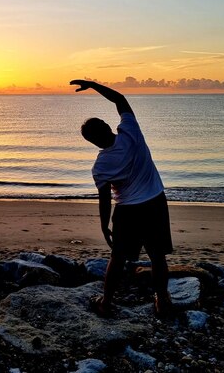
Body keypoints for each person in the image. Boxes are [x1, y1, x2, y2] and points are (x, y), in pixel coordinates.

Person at [70, 79, 173, 317]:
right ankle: (162, 299)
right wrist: (93, 84)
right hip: (155, 202)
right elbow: (120, 99)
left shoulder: (101, 165)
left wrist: (104, 225)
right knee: (157, 256)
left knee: (117, 259)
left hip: (128, 212)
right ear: (108, 126)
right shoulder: (130, 131)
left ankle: (106, 302)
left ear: (92, 142)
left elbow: (105, 199)